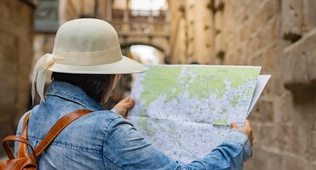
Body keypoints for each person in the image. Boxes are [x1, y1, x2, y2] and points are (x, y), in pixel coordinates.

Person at [17, 18, 253, 169]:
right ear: (107, 77)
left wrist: (112, 116)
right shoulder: (107, 130)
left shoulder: (28, 120)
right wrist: (237, 142)